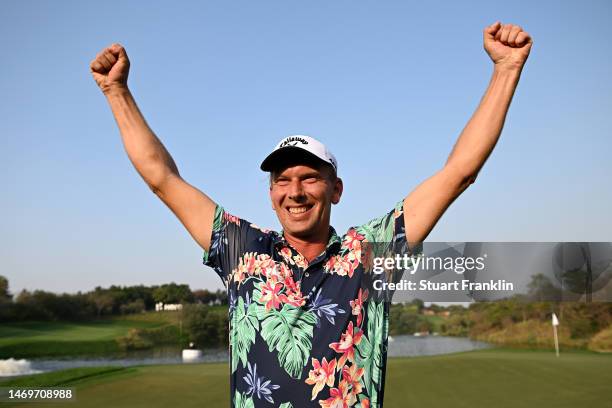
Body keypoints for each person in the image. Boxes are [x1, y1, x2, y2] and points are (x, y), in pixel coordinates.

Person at [90, 21, 532, 408]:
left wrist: (505, 70)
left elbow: (459, 173)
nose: (295, 192)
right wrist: (116, 92)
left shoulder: (370, 253)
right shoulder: (241, 248)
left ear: (335, 189)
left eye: (309, 178)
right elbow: (161, 178)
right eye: (282, 180)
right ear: (270, 194)